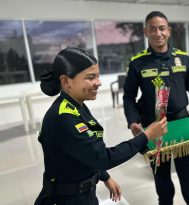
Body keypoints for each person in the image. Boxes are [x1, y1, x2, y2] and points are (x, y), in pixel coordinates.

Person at [34, 47, 167, 205]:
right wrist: (146, 136)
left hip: (85, 193)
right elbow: (102, 158)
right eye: (90, 78)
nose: (99, 83)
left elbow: (84, 152)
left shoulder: (77, 105)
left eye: (98, 76)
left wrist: (104, 176)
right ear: (66, 81)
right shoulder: (63, 117)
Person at [123, 11, 189, 205]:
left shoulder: (183, 59)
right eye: (152, 29)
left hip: (182, 123)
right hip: (154, 128)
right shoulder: (138, 62)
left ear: (168, 31)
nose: (158, 33)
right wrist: (133, 121)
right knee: (161, 178)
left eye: (162, 28)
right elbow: (128, 96)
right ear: (145, 32)